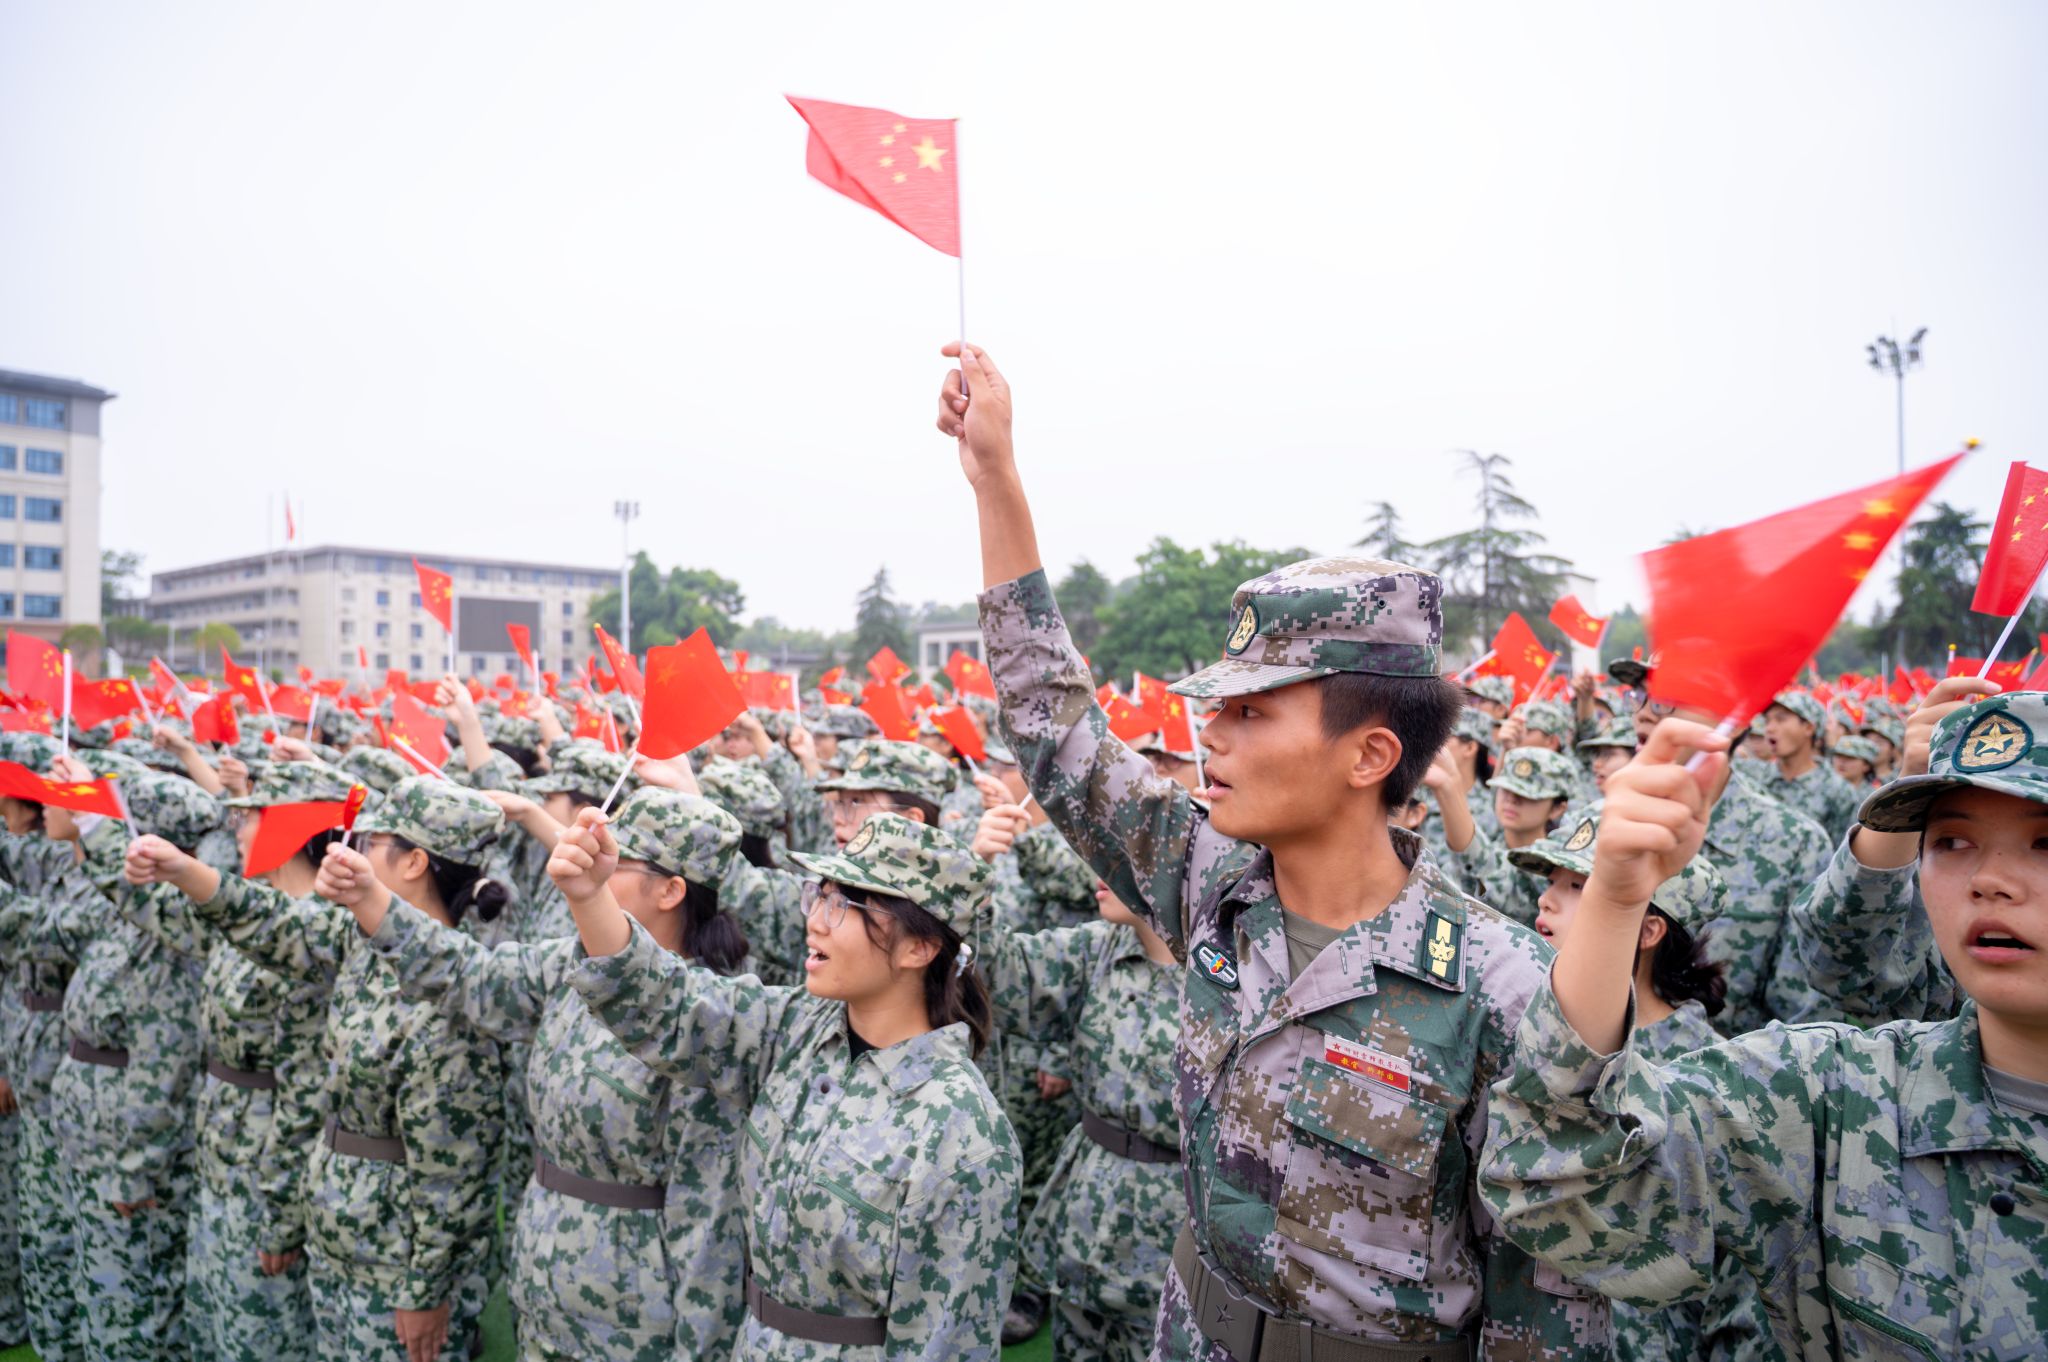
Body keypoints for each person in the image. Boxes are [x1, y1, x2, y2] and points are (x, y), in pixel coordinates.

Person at [939, 342, 1605, 1359]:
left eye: (1251, 712)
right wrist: (996, 477)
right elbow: (1053, 726)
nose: (1210, 735)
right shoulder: (1211, 885)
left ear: (1369, 755)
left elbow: (1545, 1305)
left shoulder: (1501, 989)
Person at [1479, 704, 2048, 1360]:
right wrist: (1612, 903)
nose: (1989, 881)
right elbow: (1553, 1183)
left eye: (2044, 843)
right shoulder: (1834, 1096)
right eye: (1951, 842)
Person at [308, 786, 755, 1361]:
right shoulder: (572, 967)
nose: (593, 868)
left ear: (671, 891)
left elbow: (709, 1225)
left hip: (633, 1321)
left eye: (616, 861)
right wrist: (370, 896)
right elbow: (468, 974)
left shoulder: (707, 1024)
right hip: (546, 1292)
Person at [558, 808, 1021, 1357]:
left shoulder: (962, 1133)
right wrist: (589, 896)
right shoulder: (800, 1027)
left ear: (919, 948)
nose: (816, 921)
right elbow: (668, 1004)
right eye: (817, 896)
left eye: (844, 906)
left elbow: (946, 1344)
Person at [125, 777, 508, 1362]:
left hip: (395, 1261)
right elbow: (273, 921)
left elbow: (456, 1169)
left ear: (414, 863)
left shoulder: (454, 991)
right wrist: (183, 870)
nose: (357, 849)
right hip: (343, 1231)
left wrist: (426, 1290)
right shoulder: (365, 941)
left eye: (374, 841)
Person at [1510, 811, 1752, 1362]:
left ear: (1647, 930)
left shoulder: (1702, 1073)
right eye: (1552, 881)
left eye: (1578, 887)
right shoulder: (1532, 1022)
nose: (1547, 900)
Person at [126, 759, 343, 1362]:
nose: (238, 830)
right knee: (214, 1320)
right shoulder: (259, 908)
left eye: (252, 817)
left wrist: (281, 1214)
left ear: (290, 829)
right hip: (223, 1142)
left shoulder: (317, 934)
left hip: (266, 1164)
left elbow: (305, 1091)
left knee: (262, 1332)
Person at [1, 766, 218, 1362]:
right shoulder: (128, 914)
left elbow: (167, 1057)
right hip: (93, 1137)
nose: (61, 806)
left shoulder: (168, 931)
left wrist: (135, 1166)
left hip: (129, 1153)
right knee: (102, 1298)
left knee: (135, 1314)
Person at [980, 877, 1183, 1362]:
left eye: (1125, 852)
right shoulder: (1100, 946)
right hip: (1087, 1216)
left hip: (1174, 1232)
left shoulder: (1235, 967)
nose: (1097, 868)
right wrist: (971, 887)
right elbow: (1000, 975)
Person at [1758, 690, 1863, 842]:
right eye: (1767, 721)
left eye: (1780, 719)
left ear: (1808, 728)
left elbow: (1841, 850)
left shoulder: (1838, 792)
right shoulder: (1754, 776)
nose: (1769, 728)